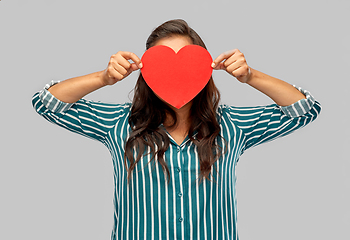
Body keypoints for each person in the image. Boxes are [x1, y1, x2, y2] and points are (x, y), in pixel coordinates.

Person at [32, 19, 321, 240]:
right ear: (146, 71)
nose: (175, 70)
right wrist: (103, 77)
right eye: (163, 61)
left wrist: (250, 76)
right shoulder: (120, 122)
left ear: (205, 68)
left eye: (185, 58)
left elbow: (304, 110)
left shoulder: (231, 125)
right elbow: (47, 103)